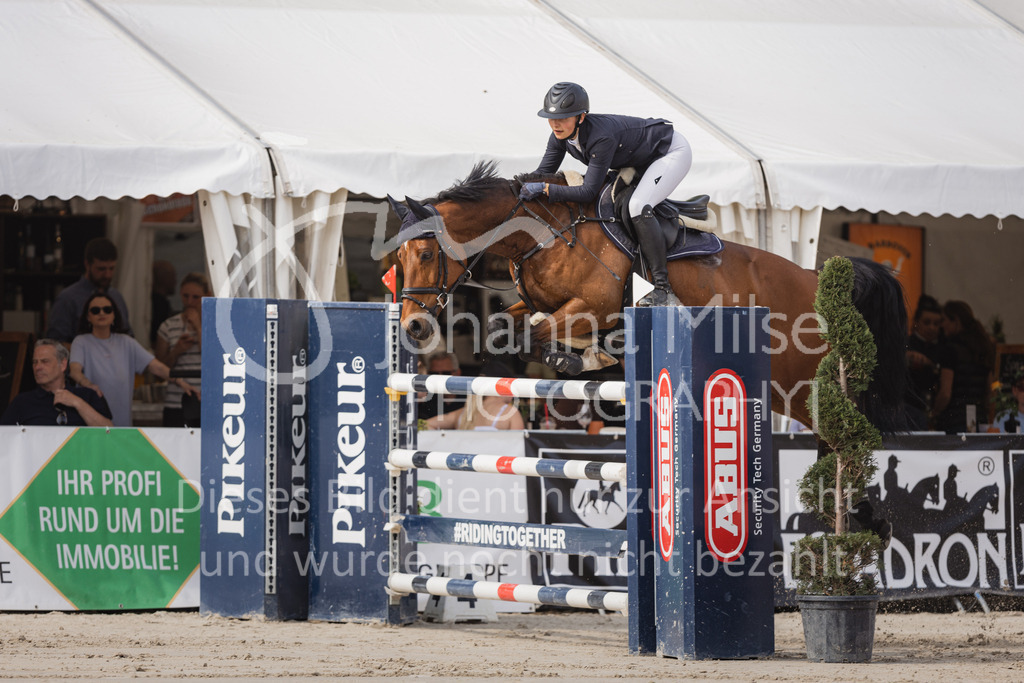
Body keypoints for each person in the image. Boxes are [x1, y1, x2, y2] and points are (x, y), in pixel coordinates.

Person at [521, 82, 692, 307]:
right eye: (552, 119)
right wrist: (514, 187)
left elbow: (587, 191)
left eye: (563, 118)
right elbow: (542, 173)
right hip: (637, 160)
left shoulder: (601, 137)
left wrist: (546, 189)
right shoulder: (559, 137)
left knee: (637, 205)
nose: (555, 124)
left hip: (669, 153)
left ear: (581, 117)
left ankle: (663, 289)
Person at [69, 292, 196, 427]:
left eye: (107, 309)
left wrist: (181, 382)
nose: (102, 313)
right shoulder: (81, 341)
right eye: (95, 310)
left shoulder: (127, 342)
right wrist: (87, 384)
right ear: (88, 317)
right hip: (90, 423)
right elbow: (74, 371)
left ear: (114, 315)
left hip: (122, 424)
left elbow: (156, 367)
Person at [1, 339, 112, 427]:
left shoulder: (88, 396)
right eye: (35, 362)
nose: (38, 367)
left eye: (45, 361)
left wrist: (78, 403)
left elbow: (109, 432)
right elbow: (4, 438)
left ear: (63, 365)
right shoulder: (22, 401)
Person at [46, 237, 133, 343]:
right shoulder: (67, 299)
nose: (107, 275)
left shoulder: (117, 297)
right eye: (101, 269)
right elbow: (56, 344)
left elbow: (129, 337)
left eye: (111, 268)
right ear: (87, 264)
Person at [154, 272, 209, 427]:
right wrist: (176, 351)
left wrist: (199, 327)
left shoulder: (214, 324)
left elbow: (216, 361)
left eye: (196, 297)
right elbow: (159, 370)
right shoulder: (168, 326)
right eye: (185, 296)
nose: (190, 302)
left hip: (208, 401)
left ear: (207, 296)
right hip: (176, 402)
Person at [932, 300, 995, 434]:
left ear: (956, 320)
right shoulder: (983, 347)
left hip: (954, 421)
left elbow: (945, 393)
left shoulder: (950, 349)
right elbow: (990, 391)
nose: (942, 325)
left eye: (944, 320)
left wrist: (935, 412)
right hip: (979, 419)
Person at [424, 360, 525, 431]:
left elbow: (425, 425)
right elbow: (519, 450)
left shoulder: (462, 414)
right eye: (512, 385)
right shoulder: (510, 413)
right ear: (504, 386)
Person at [905, 294, 944, 430]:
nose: (932, 328)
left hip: (936, 414)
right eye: (927, 322)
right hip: (908, 411)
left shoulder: (943, 348)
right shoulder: (906, 344)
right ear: (916, 322)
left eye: (936, 324)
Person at [416, 350, 465, 420]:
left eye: (445, 373)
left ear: (457, 373)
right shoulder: (422, 399)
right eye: (434, 374)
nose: (440, 378)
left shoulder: (469, 398)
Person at [151, 260, 177, 346]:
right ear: (165, 279)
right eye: (173, 277)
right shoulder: (160, 305)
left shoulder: (154, 302)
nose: (175, 281)